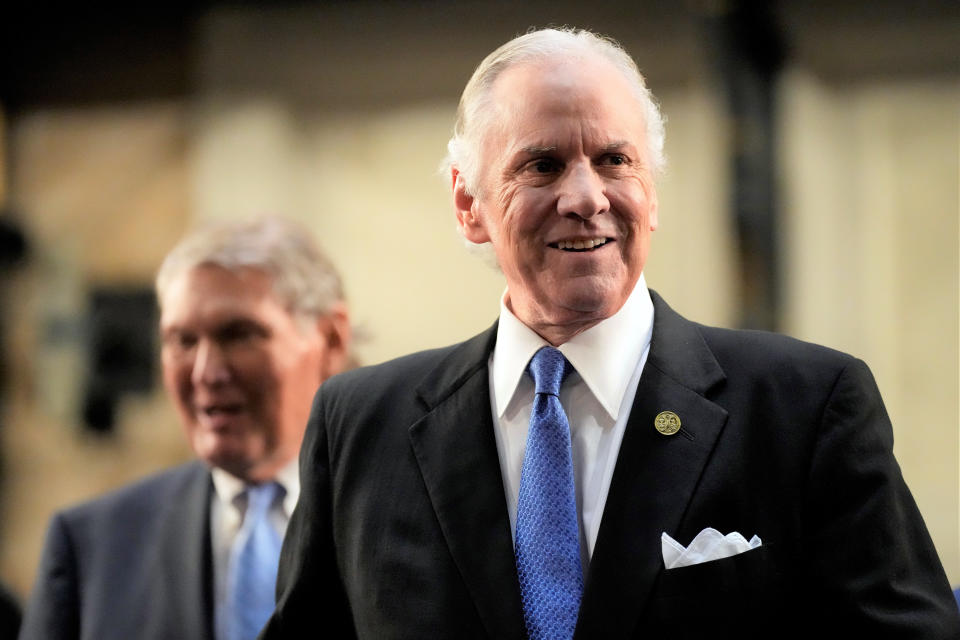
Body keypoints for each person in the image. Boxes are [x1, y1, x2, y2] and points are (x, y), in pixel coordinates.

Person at [261, 28, 960, 639]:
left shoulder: (806, 407)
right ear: (469, 204)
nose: (586, 197)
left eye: (615, 161)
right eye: (542, 165)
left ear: (650, 194)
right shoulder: (359, 426)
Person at [19, 217, 352, 640]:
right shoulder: (93, 546)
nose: (206, 372)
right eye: (183, 341)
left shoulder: (404, 524)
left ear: (330, 339)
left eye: (239, 334)